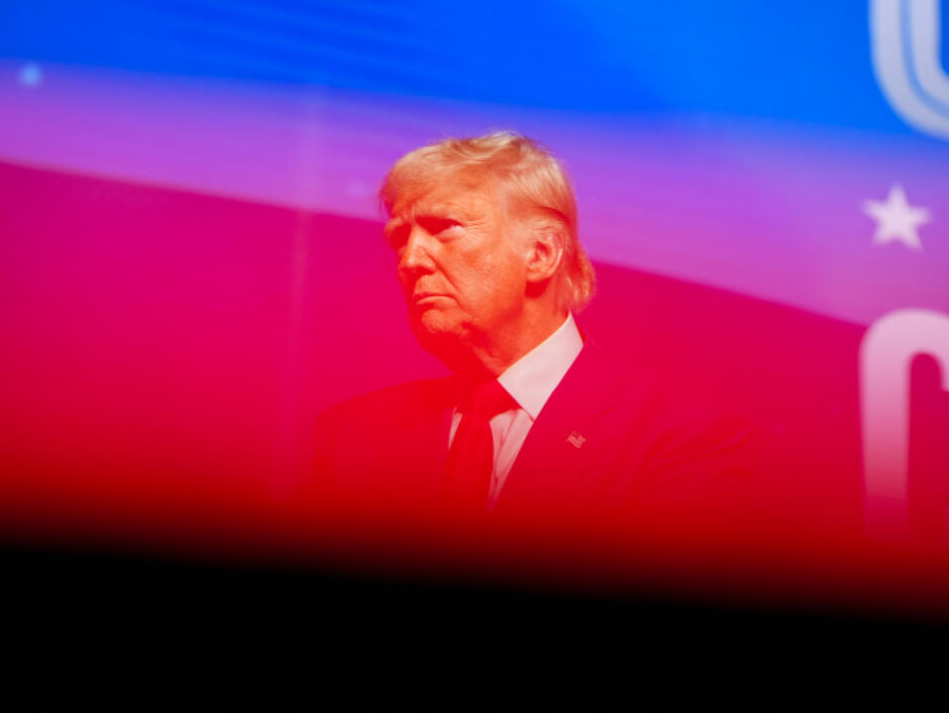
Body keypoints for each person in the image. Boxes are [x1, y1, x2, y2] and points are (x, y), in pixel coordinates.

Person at [306, 132, 754, 549]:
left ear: (540, 255)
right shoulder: (351, 438)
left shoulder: (682, 436)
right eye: (400, 237)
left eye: (444, 227)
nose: (410, 259)